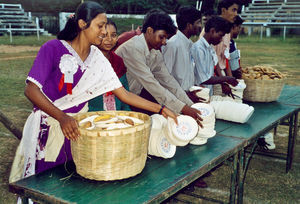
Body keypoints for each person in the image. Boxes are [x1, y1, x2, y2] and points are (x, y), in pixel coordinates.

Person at [9, 1, 177, 184]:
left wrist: (160, 109)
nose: (104, 32)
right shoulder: (53, 48)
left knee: (74, 185)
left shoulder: (97, 58)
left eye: (105, 26)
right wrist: (62, 117)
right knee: (47, 184)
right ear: (82, 24)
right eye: (100, 26)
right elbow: (31, 90)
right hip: (50, 131)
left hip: (79, 133)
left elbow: (124, 95)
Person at [115, 9, 203, 124]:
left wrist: (190, 105)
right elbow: (152, 84)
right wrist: (183, 108)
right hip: (118, 101)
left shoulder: (155, 52)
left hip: (134, 98)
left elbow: (168, 80)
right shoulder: (133, 49)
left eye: (166, 38)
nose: (164, 42)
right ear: (150, 31)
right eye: (161, 37)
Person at [162, 6, 202, 103]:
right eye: (198, 22)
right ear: (189, 25)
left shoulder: (189, 45)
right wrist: (184, 94)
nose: (200, 26)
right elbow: (164, 78)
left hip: (188, 97)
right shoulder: (172, 45)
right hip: (176, 100)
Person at [89, 19, 131, 111]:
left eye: (113, 35)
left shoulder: (118, 61)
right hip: (92, 115)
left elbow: (125, 92)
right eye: (104, 35)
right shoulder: (88, 61)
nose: (110, 39)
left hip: (117, 115)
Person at [191, 16, 238, 96]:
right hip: (199, 94)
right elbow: (204, 79)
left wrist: (223, 83)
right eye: (220, 35)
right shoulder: (199, 49)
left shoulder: (210, 48)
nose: (221, 40)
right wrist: (227, 79)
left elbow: (216, 65)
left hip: (208, 93)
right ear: (212, 31)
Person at [214, 0, 240, 95]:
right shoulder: (213, 29)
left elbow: (225, 58)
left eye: (236, 11)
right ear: (224, 10)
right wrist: (223, 81)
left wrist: (231, 79)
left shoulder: (227, 30)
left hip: (221, 75)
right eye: (233, 10)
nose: (236, 14)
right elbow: (213, 60)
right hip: (213, 76)